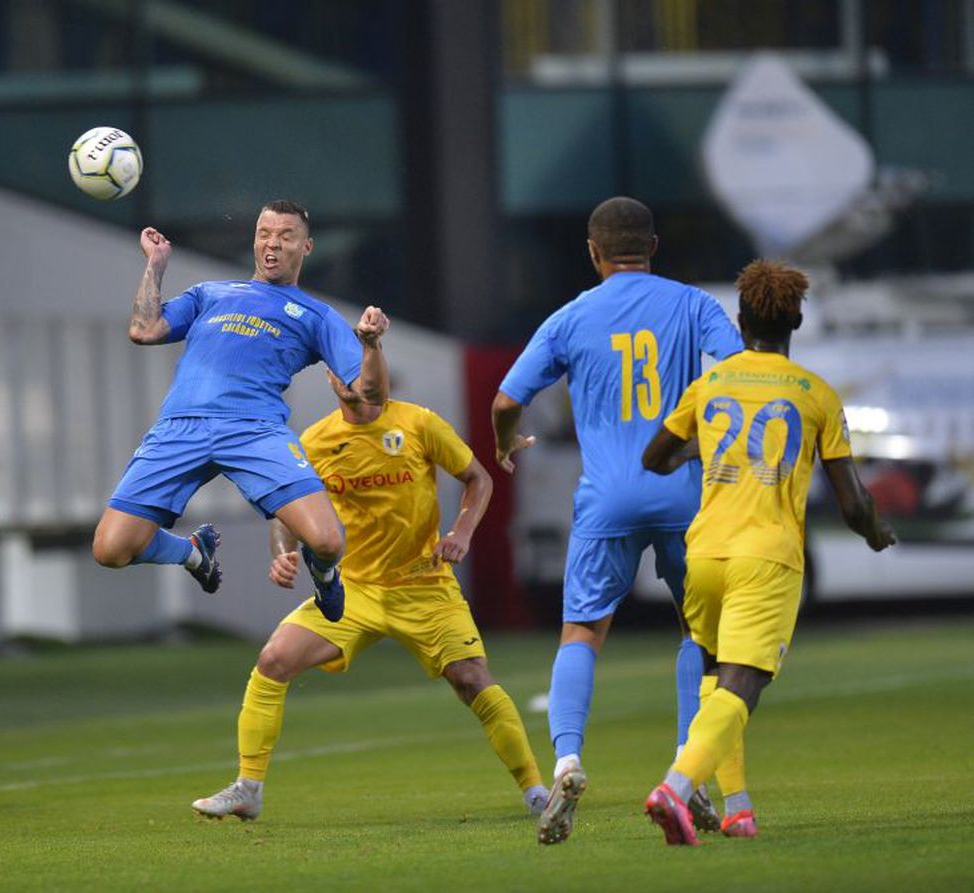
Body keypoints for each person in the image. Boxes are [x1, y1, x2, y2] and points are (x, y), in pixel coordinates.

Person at [491, 196, 744, 845]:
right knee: (698, 632)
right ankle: (686, 776)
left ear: (593, 250)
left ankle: (569, 759)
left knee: (583, 629)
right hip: (684, 493)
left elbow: (506, 399)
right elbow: (736, 373)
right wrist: (700, 440)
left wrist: (504, 441)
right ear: (654, 246)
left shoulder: (572, 316)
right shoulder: (692, 305)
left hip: (608, 495)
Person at [191, 371, 549, 821]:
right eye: (342, 373)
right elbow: (285, 510)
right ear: (329, 379)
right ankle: (248, 787)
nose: (351, 382)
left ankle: (537, 791)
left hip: (424, 585)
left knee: (472, 679)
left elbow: (479, 479)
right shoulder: (317, 439)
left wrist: (461, 531)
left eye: (360, 372)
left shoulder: (419, 424)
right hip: (354, 589)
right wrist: (283, 553)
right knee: (274, 659)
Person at [641, 260, 895, 845]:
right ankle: (675, 791)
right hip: (768, 555)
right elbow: (853, 503)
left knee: (712, 673)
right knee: (745, 683)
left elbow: (655, 457)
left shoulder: (711, 384)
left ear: (740, 318)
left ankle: (738, 809)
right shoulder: (817, 395)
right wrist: (878, 531)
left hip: (703, 553)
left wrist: (702, 452)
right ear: (797, 320)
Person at [91, 200, 389, 623]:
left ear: (306, 247)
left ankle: (325, 577)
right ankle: (193, 554)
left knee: (326, 541)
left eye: (286, 236)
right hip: (180, 427)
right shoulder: (209, 294)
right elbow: (144, 329)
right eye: (264, 233)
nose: (272, 244)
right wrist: (156, 264)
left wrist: (372, 344)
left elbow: (371, 392)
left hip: (255, 430)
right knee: (110, 549)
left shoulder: (317, 315)